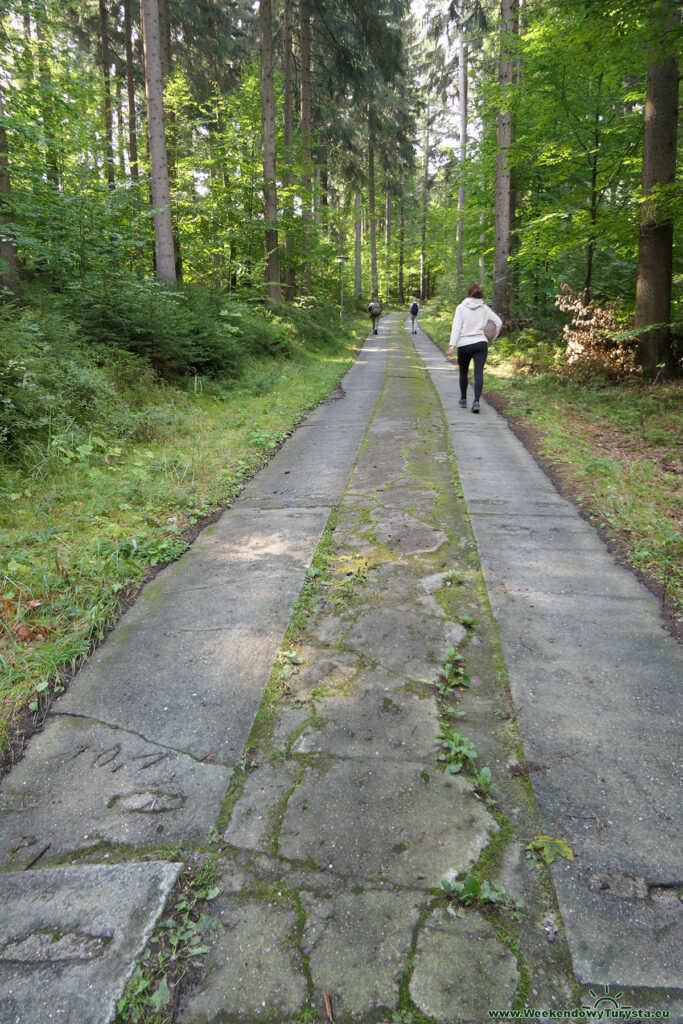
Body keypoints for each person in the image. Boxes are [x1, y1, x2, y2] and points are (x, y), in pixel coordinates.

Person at [447, 283, 502, 413]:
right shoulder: (484, 308)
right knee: (478, 373)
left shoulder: (461, 308)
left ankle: (463, 398)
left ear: (468, 293)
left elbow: (456, 327)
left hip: (464, 344)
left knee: (463, 372)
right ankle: (476, 402)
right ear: (479, 294)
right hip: (480, 344)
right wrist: (492, 337)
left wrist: (452, 344)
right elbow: (498, 322)